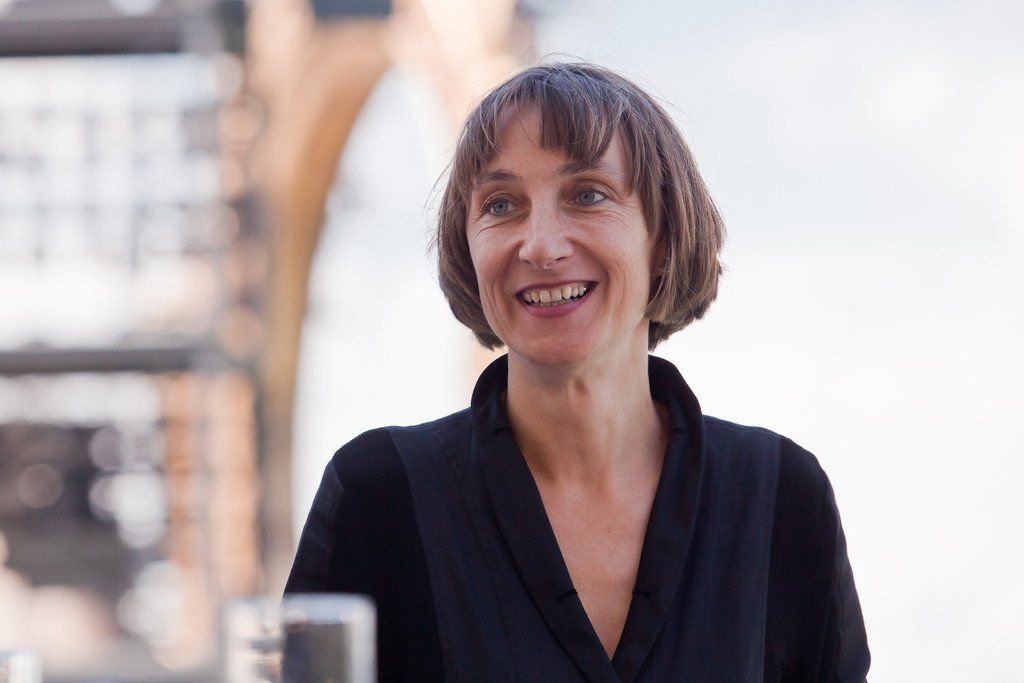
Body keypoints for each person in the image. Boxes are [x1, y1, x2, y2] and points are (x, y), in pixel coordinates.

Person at [285, 62, 870, 682]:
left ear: (663, 237)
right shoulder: (379, 498)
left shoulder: (781, 499)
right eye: (501, 205)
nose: (541, 245)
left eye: (588, 194)